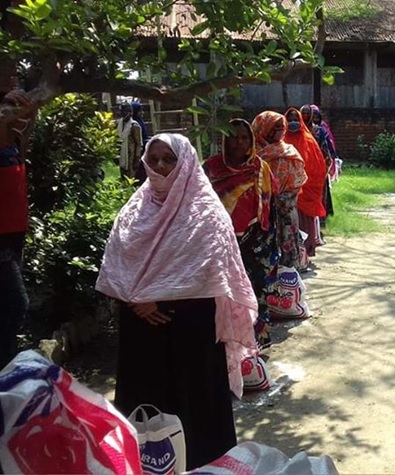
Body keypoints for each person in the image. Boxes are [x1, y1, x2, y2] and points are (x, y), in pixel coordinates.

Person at [96, 133, 256, 469]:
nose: (160, 166)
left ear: (185, 162)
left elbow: (212, 271)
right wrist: (136, 300)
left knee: (193, 411)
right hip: (141, 328)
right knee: (145, 410)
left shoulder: (207, 212)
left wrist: (161, 302)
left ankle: (202, 462)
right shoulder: (134, 210)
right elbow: (118, 265)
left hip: (189, 330)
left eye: (168, 159)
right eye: (153, 159)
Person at [204, 119, 278, 348]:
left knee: (255, 289)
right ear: (225, 139)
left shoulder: (260, 167)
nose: (239, 142)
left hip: (255, 240)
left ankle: (257, 340)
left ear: (251, 140)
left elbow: (270, 204)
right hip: (220, 241)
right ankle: (229, 343)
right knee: (225, 294)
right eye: (234, 137)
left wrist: (267, 239)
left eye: (244, 137)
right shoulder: (211, 168)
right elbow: (200, 204)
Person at [0, 77, 36, 368]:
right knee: (16, 303)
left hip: (14, 235)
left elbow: (27, 128)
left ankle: (6, 366)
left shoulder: (15, 142)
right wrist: (8, 107)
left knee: (5, 307)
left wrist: (29, 109)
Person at [252, 111, 308, 269]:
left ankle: (289, 283)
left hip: (286, 209)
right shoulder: (251, 153)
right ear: (263, 128)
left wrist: (282, 198)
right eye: (274, 127)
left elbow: (299, 179)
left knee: (287, 250)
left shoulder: (289, 151)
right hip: (259, 212)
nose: (280, 131)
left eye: (281, 127)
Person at [286, 107, 327, 266]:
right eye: (290, 119)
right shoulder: (281, 140)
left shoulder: (309, 140)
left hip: (306, 192)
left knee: (304, 224)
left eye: (297, 119)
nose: (293, 122)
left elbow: (319, 167)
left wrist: (304, 182)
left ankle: (305, 256)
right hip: (287, 193)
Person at [306, 105, 337, 223]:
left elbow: (327, 149)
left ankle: (320, 219)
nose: (313, 119)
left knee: (320, 194)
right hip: (303, 169)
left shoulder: (321, 130)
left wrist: (326, 166)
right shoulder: (298, 131)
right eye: (310, 116)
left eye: (316, 116)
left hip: (319, 168)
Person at [117, 102, 143, 178]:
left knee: (130, 177)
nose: (122, 114)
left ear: (130, 113)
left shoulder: (134, 126)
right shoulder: (119, 124)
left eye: (124, 112)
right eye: (121, 111)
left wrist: (137, 159)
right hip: (122, 154)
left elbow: (138, 143)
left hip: (131, 157)